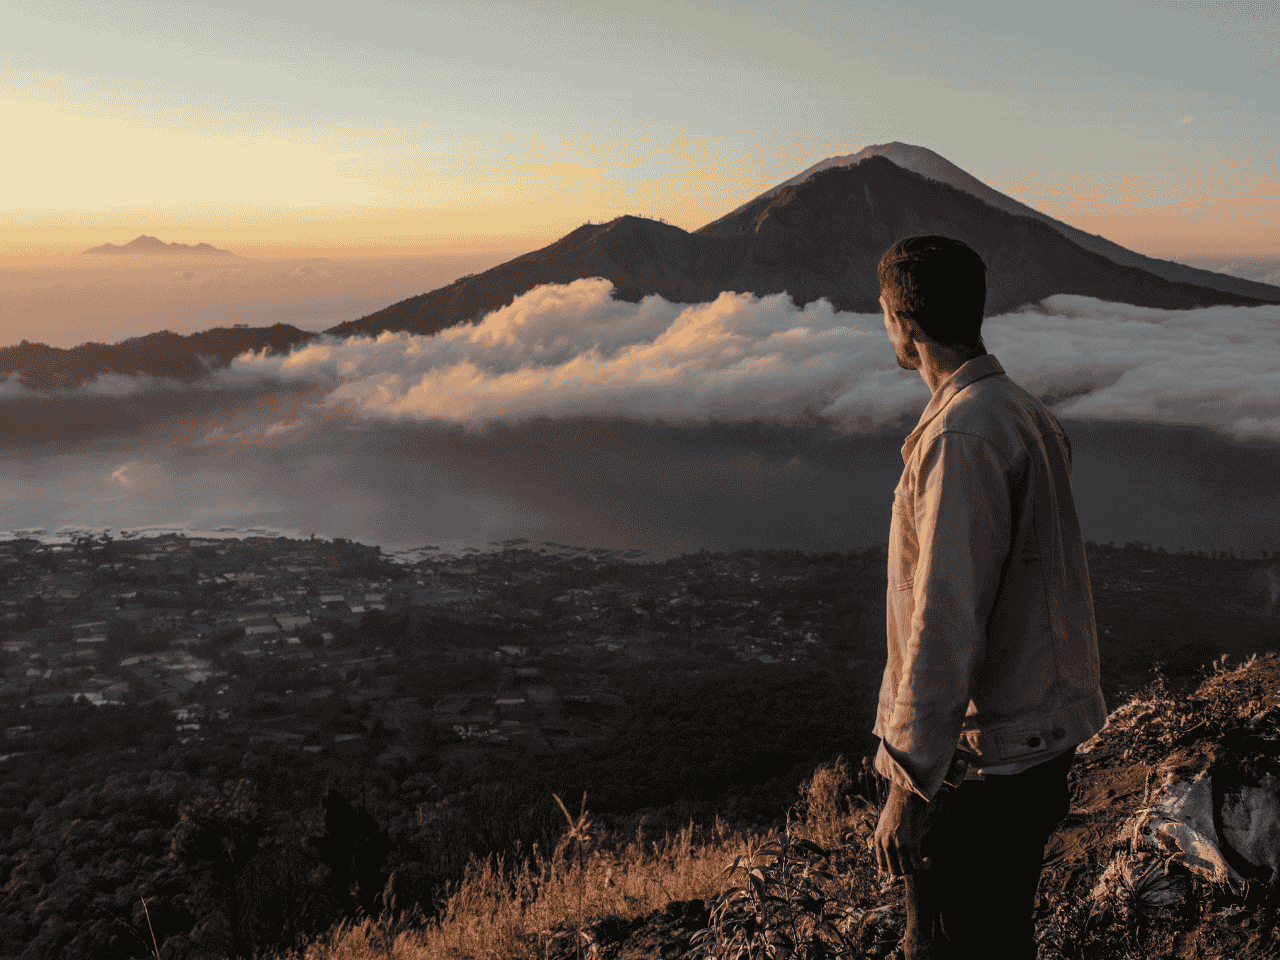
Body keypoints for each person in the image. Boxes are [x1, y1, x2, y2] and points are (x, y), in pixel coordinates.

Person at [870, 236, 1107, 959]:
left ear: (903, 323)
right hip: (1033, 746)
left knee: (947, 944)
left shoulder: (962, 436)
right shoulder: (1021, 412)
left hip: (983, 765)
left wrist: (907, 785)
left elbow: (946, 620)